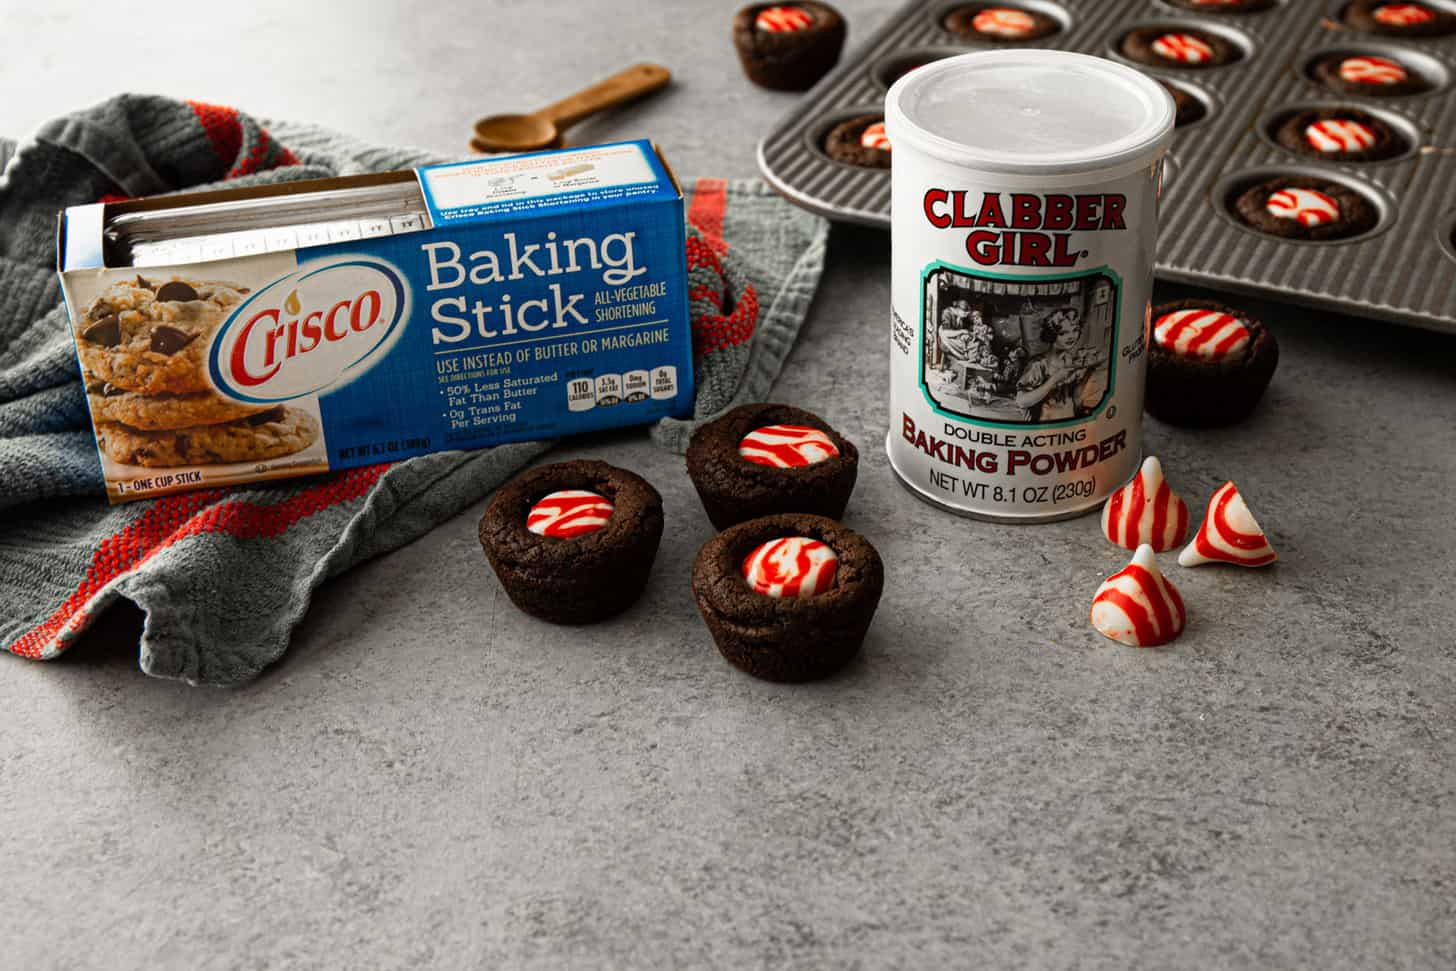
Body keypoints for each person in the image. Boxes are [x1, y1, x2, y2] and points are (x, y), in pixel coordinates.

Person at [1013, 307, 1105, 422]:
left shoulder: (1072, 361)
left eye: (1075, 330)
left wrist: (1089, 370)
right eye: (1063, 333)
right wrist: (1054, 380)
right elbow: (1021, 401)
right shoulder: (1039, 364)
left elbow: (1076, 398)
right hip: (1042, 422)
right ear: (1052, 335)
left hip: (1068, 421)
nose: (1071, 336)